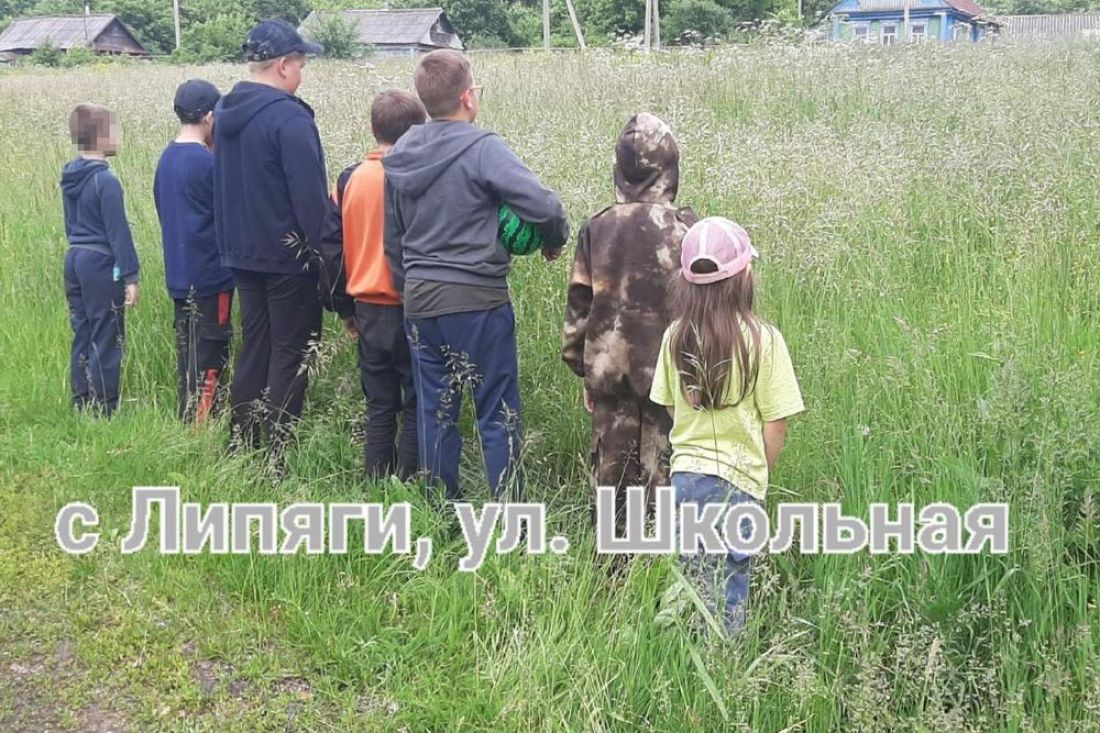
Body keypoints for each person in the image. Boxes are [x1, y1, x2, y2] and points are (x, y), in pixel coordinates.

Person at [383, 49, 570, 502]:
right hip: (478, 300)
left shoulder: (402, 153)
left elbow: (394, 240)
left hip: (422, 302)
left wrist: (411, 293)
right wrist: (553, 239)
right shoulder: (482, 147)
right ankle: (511, 521)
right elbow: (544, 206)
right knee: (497, 411)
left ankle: (440, 515)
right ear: (468, 97)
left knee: (436, 413)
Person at [649, 217, 804, 633]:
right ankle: (725, 665)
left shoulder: (674, 336)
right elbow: (777, 423)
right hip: (740, 484)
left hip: (685, 481)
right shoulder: (765, 339)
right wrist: (760, 470)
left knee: (694, 577)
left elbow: (667, 406)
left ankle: (688, 659)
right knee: (732, 582)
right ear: (744, 279)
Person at [561, 112, 696, 530]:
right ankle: (662, 574)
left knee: (612, 487)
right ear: (671, 169)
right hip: (672, 386)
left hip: (610, 381)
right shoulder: (687, 230)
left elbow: (578, 311)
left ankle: (612, 577)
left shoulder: (597, 228)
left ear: (618, 170)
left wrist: (584, 370)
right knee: (667, 484)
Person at [212, 20, 328, 462]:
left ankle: (242, 443)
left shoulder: (224, 113)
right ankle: (276, 454)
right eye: (301, 64)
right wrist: (325, 259)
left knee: (255, 346)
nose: (302, 74)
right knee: (290, 352)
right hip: (287, 257)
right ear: (283, 65)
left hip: (240, 253)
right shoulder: (289, 118)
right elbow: (311, 201)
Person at [332, 90, 428, 480]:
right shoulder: (412, 179)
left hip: (366, 307)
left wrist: (343, 307)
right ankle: (405, 485)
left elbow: (335, 247)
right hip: (408, 304)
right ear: (416, 133)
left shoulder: (350, 179)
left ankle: (375, 483)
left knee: (379, 403)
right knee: (417, 402)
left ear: (373, 128)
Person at [154, 79, 235, 424]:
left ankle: (187, 419)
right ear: (208, 115)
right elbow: (230, 215)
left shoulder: (167, 159)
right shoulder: (208, 164)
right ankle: (200, 430)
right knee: (212, 353)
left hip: (178, 273)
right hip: (211, 276)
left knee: (187, 355)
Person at [61, 103, 140, 417]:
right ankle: (105, 408)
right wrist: (131, 275)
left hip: (74, 258)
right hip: (100, 263)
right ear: (102, 136)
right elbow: (118, 232)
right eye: (115, 130)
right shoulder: (106, 181)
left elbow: (70, 224)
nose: (118, 136)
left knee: (82, 331)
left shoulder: (70, 176)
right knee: (108, 334)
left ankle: (82, 401)